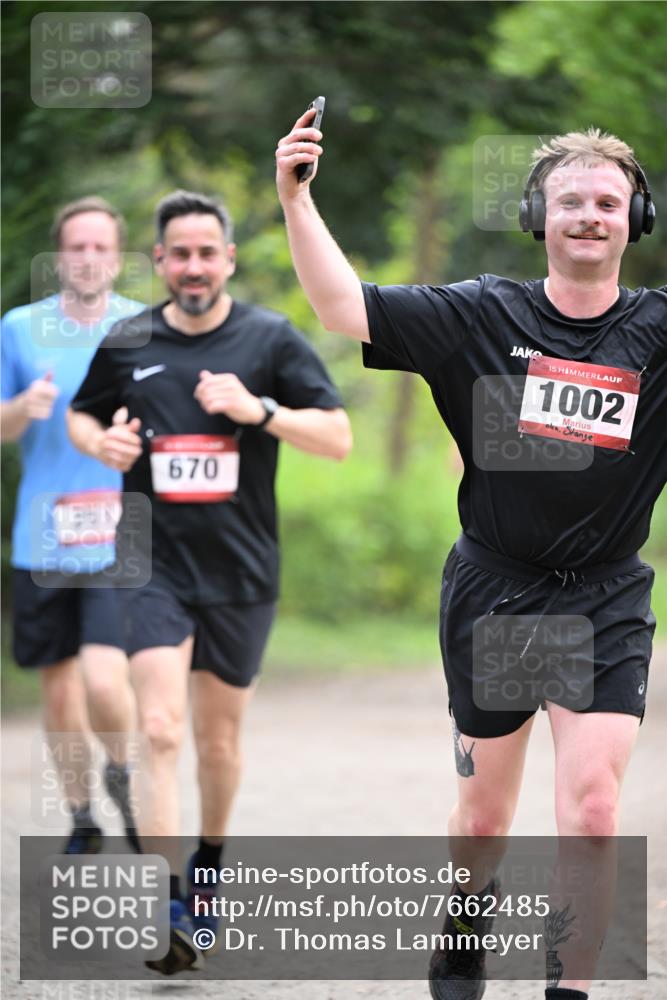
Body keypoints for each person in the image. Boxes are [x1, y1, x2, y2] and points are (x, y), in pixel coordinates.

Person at [276, 116, 665, 1000]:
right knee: (484, 821)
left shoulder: (659, 333)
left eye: (608, 202)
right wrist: (296, 199)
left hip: (604, 595)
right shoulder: (481, 314)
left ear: (635, 218)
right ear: (538, 213)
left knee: (594, 811)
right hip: (498, 593)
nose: (589, 216)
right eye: (570, 200)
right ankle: (463, 926)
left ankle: (564, 989)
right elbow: (342, 307)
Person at [67, 189, 352, 975]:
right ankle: (165, 907)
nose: (193, 266)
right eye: (178, 253)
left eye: (206, 252)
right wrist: (105, 447)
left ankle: (212, 864)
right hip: (148, 558)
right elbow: (80, 416)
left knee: (218, 738)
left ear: (227, 259)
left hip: (241, 566)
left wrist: (258, 409)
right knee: (160, 726)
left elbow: (336, 437)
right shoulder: (129, 337)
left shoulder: (270, 339)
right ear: (158, 262)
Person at [1, 197, 144, 853]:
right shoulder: (19, 328)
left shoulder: (141, 326)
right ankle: (83, 816)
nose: (87, 258)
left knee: (105, 678)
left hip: (120, 531)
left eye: (99, 247)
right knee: (59, 694)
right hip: (44, 534)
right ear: (59, 256)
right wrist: (21, 410)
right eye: (76, 247)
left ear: (116, 257)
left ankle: (124, 774)